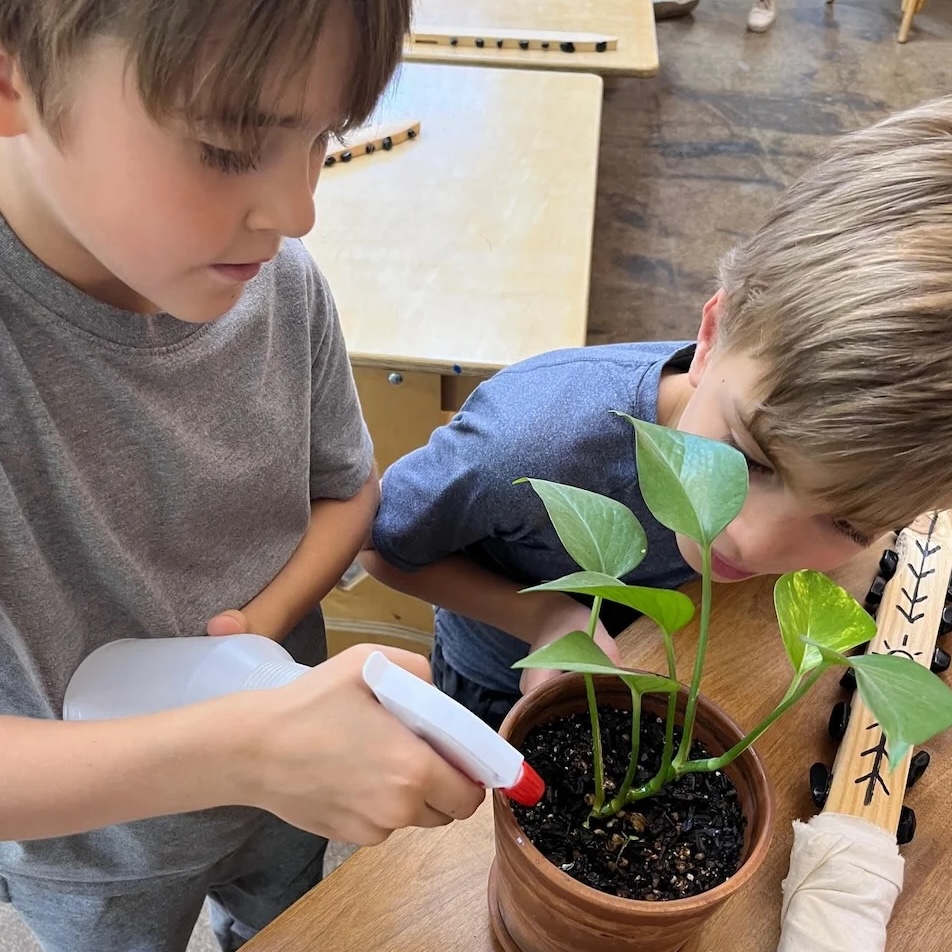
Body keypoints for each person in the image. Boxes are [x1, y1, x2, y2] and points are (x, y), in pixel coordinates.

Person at [0, 2, 483, 950]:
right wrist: (247, 748)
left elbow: (347, 489)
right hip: (94, 853)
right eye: (227, 147)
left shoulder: (282, 283)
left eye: (324, 139)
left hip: (285, 790)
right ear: (14, 76)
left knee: (289, 919)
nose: (299, 211)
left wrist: (261, 636)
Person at [362, 96, 952, 730]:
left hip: (663, 657)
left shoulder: (756, 387)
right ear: (712, 335)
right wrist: (542, 616)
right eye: (750, 460)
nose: (748, 539)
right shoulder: (532, 439)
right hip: (504, 673)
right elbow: (384, 545)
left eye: (850, 526)